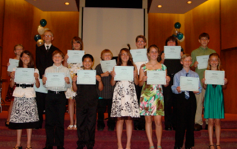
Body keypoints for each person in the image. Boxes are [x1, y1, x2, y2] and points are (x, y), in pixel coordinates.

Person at [139, 45, 170, 149]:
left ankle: (159, 144)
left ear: (158, 53)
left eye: (155, 52)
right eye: (151, 52)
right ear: (148, 54)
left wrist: (167, 81)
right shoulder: (143, 67)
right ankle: (151, 144)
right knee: (148, 121)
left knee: (158, 121)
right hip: (146, 96)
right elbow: (139, 83)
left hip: (158, 96)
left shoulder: (163, 67)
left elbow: (165, 85)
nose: (154, 54)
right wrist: (142, 79)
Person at [9, 50, 40, 149]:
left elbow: (38, 86)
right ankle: (18, 143)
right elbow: (11, 85)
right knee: (19, 120)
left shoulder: (35, 70)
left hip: (30, 94)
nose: (26, 58)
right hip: (19, 94)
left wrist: (36, 79)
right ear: (21, 58)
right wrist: (12, 77)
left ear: (30, 58)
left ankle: (28, 144)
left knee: (29, 120)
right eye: (24, 57)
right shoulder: (15, 69)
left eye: (28, 57)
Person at [110, 48, 140, 149]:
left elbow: (136, 83)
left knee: (129, 120)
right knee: (119, 120)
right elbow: (112, 84)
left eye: (126, 54)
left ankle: (128, 144)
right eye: (123, 54)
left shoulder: (133, 67)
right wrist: (112, 76)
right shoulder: (116, 67)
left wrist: (135, 76)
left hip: (130, 93)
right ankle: (119, 144)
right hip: (119, 93)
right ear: (120, 56)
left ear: (129, 56)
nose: (125, 56)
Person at [72, 54, 103, 149]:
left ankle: (90, 143)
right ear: (82, 63)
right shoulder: (78, 74)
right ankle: (81, 142)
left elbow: (100, 89)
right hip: (81, 101)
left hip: (92, 102)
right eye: (85, 61)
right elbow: (75, 90)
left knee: (91, 123)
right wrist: (73, 82)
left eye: (89, 61)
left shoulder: (96, 74)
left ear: (92, 62)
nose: (87, 63)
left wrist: (100, 81)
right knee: (80, 123)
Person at [171, 54, 202, 149]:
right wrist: (177, 89)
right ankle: (178, 144)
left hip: (191, 99)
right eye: (185, 60)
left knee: (190, 122)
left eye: (189, 60)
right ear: (181, 62)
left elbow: (199, 88)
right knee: (180, 122)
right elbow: (173, 88)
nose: (187, 62)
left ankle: (189, 145)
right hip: (181, 99)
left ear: (191, 62)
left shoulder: (195, 74)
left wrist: (197, 90)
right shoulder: (177, 74)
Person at [42, 50, 71, 149]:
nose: (57, 58)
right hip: (50, 95)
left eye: (59, 56)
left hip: (60, 96)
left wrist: (67, 81)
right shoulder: (48, 70)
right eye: (55, 56)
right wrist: (44, 82)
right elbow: (45, 85)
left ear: (63, 59)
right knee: (49, 121)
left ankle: (59, 144)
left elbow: (69, 85)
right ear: (52, 58)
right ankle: (49, 144)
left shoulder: (66, 70)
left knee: (59, 121)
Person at [191, 33, 216, 131]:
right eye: (202, 39)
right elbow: (191, 67)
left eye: (206, 39)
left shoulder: (212, 51)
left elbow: (216, 65)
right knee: (198, 103)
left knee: (209, 103)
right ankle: (198, 122)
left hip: (210, 81)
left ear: (209, 40)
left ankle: (208, 122)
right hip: (198, 81)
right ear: (199, 40)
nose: (204, 41)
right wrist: (194, 65)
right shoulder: (194, 52)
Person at [202, 53, 228, 149]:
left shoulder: (222, 71)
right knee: (210, 121)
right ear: (209, 62)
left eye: (215, 60)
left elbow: (224, 87)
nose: (214, 62)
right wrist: (203, 82)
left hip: (218, 96)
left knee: (218, 121)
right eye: (212, 60)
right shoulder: (206, 72)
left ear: (218, 61)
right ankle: (211, 143)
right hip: (209, 96)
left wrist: (225, 82)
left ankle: (218, 143)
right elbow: (205, 87)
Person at [35, 30, 59, 129]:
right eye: (46, 35)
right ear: (43, 37)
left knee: (50, 102)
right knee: (39, 101)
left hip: (52, 78)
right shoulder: (38, 49)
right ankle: (39, 122)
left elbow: (56, 64)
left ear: (52, 38)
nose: (48, 37)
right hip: (41, 78)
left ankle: (50, 123)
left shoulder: (56, 50)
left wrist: (49, 74)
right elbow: (38, 62)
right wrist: (42, 74)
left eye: (50, 35)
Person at [160, 36, 184, 130]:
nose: (171, 44)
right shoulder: (163, 53)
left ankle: (176, 123)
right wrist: (162, 59)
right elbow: (159, 66)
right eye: (169, 42)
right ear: (166, 44)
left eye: (173, 42)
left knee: (177, 101)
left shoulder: (181, 52)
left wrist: (182, 57)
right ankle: (168, 123)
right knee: (167, 101)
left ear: (176, 44)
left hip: (178, 79)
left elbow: (186, 64)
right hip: (166, 79)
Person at [64, 36, 83, 130]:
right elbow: (64, 67)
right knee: (70, 101)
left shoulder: (84, 55)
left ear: (81, 44)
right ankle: (71, 122)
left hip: (79, 80)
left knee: (78, 101)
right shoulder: (68, 54)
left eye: (78, 43)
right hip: (70, 80)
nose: (76, 44)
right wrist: (65, 59)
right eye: (74, 43)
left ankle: (77, 123)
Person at [95, 49, 115, 131]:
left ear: (111, 57)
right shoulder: (98, 66)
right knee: (100, 110)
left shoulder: (115, 67)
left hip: (112, 92)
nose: (107, 56)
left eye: (109, 55)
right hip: (101, 93)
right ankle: (100, 124)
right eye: (105, 55)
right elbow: (93, 78)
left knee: (111, 110)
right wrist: (101, 75)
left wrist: (113, 74)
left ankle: (111, 125)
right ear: (102, 57)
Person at [5, 44, 24, 127]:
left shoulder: (25, 60)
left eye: (21, 49)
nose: (19, 51)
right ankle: (8, 119)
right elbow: (8, 74)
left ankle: (21, 120)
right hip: (14, 83)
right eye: (17, 49)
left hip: (23, 83)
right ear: (14, 51)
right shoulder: (11, 61)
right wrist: (8, 68)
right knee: (13, 102)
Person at [132, 35, 147, 130]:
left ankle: (143, 122)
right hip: (134, 79)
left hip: (145, 80)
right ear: (136, 43)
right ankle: (136, 123)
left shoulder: (148, 54)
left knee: (143, 102)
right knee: (136, 101)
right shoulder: (131, 54)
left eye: (142, 41)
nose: (140, 43)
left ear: (145, 43)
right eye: (138, 41)